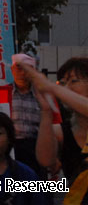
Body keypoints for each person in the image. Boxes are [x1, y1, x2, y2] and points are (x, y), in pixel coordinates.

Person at [19, 57, 88, 203]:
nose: (65, 88)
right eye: (62, 83)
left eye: (73, 81)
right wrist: (46, 111)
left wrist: (51, 86)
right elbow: (45, 160)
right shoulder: (61, 131)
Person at [9, 53, 47, 180]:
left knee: (37, 191)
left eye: (27, 69)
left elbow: (54, 126)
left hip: (36, 150)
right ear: (12, 69)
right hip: (9, 150)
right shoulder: (3, 92)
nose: (22, 73)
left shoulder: (43, 95)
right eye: (19, 67)